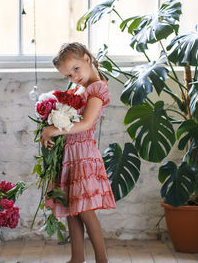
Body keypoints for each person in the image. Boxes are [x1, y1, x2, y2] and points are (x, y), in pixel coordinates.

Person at [40, 42, 116, 263]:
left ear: (86, 58)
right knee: (71, 206)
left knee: (85, 210)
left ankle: (102, 259)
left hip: (83, 153)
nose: (73, 76)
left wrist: (54, 130)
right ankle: (77, 258)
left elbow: (86, 122)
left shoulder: (97, 88)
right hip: (70, 152)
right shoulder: (78, 88)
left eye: (75, 69)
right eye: (68, 75)